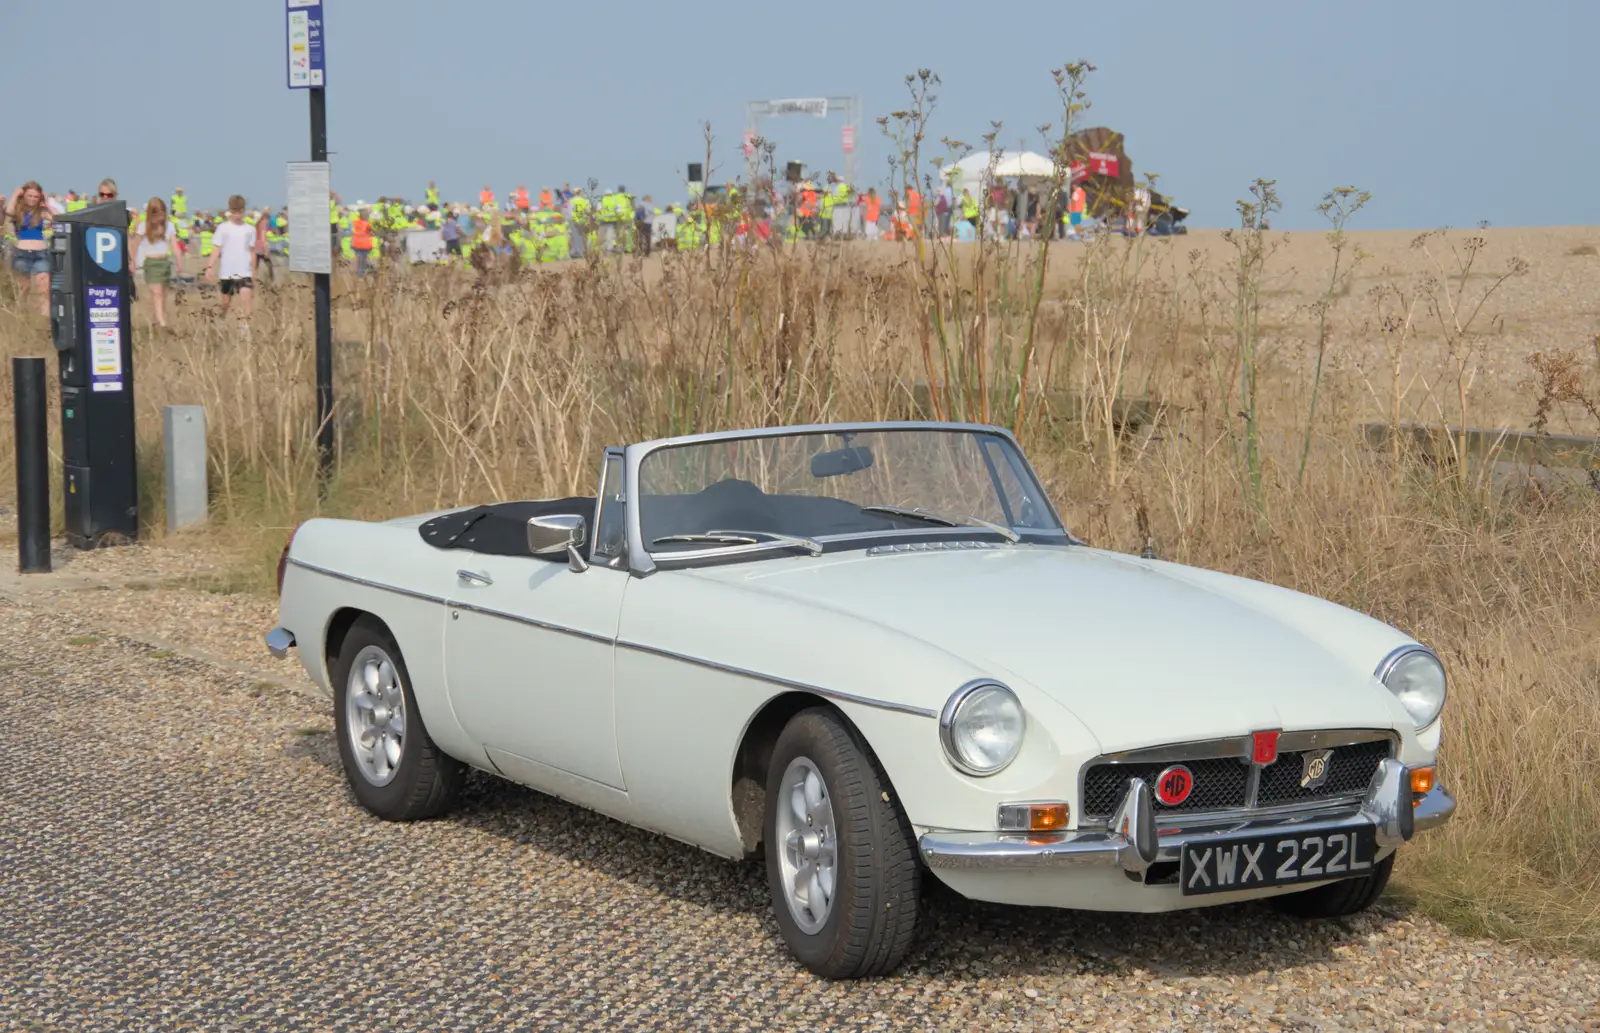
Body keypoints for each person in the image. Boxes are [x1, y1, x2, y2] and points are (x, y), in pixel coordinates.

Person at [205, 195, 256, 317]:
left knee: (246, 298)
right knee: (226, 302)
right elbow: (217, 248)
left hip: (244, 271)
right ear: (230, 212)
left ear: (243, 211)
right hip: (227, 272)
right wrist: (209, 266)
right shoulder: (223, 228)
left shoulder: (250, 229)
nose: (237, 215)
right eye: (234, 212)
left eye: (239, 212)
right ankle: (221, 321)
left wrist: (254, 270)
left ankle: (245, 330)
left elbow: (252, 250)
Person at [6, 182, 52, 315]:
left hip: (41, 254)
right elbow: (8, 211)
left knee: (44, 290)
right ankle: (21, 320)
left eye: (36, 196)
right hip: (22, 253)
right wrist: (15, 194)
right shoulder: (18, 211)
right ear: (24, 196)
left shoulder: (42, 212)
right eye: (29, 195)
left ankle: (44, 325)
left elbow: (59, 219)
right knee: (22, 291)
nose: (32, 199)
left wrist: (47, 204)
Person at [132, 198, 178, 328]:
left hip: (165, 262)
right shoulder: (143, 226)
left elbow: (174, 244)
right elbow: (135, 244)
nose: (160, 217)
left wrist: (179, 260)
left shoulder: (169, 226)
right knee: (157, 293)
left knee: (162, 294)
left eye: (162, 213)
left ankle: (157, 320)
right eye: (157, 213)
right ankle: (162, 323)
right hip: (151, 263)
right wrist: (133, 262)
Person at [254, 205, 275, 284]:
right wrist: (266, 250)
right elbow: (263, 238)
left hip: (255, 246)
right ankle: (271, 281)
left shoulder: (258, 223)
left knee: (255, 265)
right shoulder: (263, 224)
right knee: (269, 264)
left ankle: (254, 280)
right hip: (260, 248)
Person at [351, 207, 374, 275]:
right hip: (365, 245)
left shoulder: (355, 222)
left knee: (359, 259)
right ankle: (362, 272)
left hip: (356, 244)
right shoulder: (368, 223)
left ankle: (359, 273)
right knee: (363, 259)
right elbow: (372, 232)